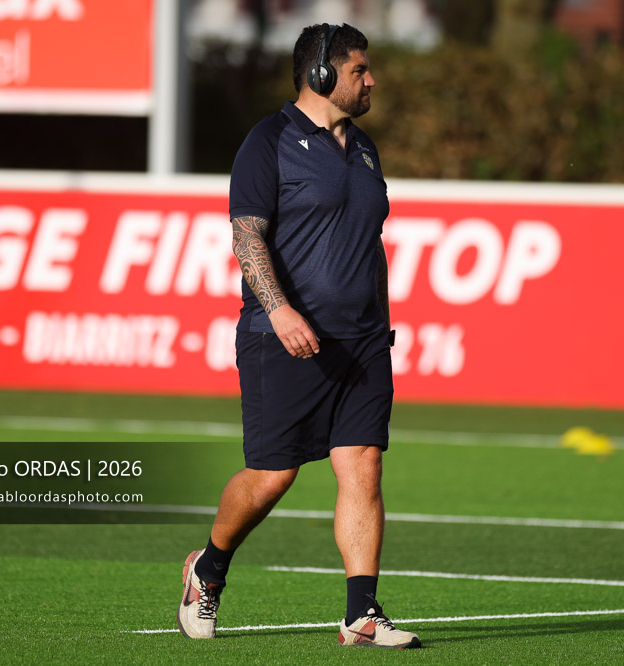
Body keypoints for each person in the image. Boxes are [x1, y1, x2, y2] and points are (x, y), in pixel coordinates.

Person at [176, 23, 421, 649]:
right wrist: (281, 311)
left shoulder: (365, 149)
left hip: (362, 343)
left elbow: (373, 246)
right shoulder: (269, 141)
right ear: (320, 74)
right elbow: (247, 236)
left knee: (362, 467)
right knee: (272, 476)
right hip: (281, 336)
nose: (371, 80)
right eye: (360, 69)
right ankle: (209, 566)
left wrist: (381, 321)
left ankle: (361, 614)